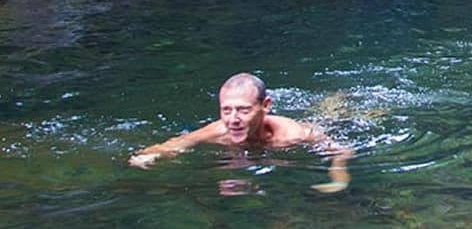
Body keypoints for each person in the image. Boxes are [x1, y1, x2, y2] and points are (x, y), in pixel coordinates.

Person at [129, 73, 354, 193]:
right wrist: (148, 154)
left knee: (333, 116)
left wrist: (338, 179)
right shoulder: (217, 131)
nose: (233, 120)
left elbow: (342, 151)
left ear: (265, 106)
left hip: (322, 125)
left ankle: (337, 100)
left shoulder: (293, 135)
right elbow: (177, 143)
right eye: (226, 110)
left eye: (244, 110)